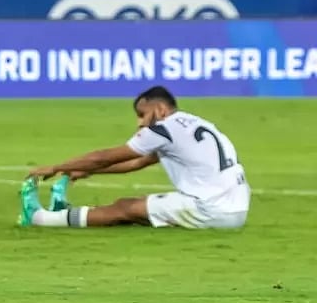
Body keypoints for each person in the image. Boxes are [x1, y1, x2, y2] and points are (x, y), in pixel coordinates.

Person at [22, 86, 251, 229]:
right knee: (141, 209)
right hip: (237, 208)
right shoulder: (194, 123)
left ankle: (40, 219)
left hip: (211, 209)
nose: (140, 123)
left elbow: (104, 157)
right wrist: (88, 171)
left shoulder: (164, 129)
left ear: (160, 108)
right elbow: (138, 162)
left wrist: (55, 167)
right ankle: (66, 213)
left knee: (124, 207)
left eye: (142, 115)